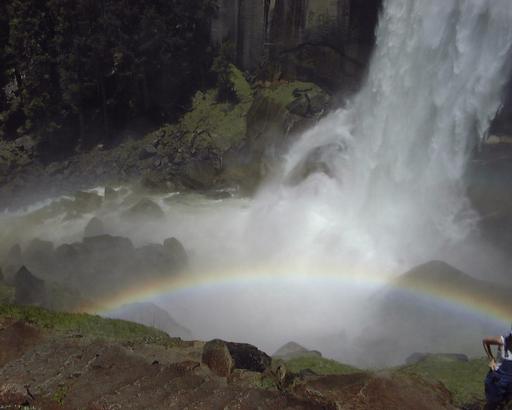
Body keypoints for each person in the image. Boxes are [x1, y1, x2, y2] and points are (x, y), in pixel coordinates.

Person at [483, 330, 512, 410]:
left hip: (510, 381)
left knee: (505, 402)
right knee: (492, 403)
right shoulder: (502, 340)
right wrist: (491, 359)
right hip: (498, 379)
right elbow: (485, 341)